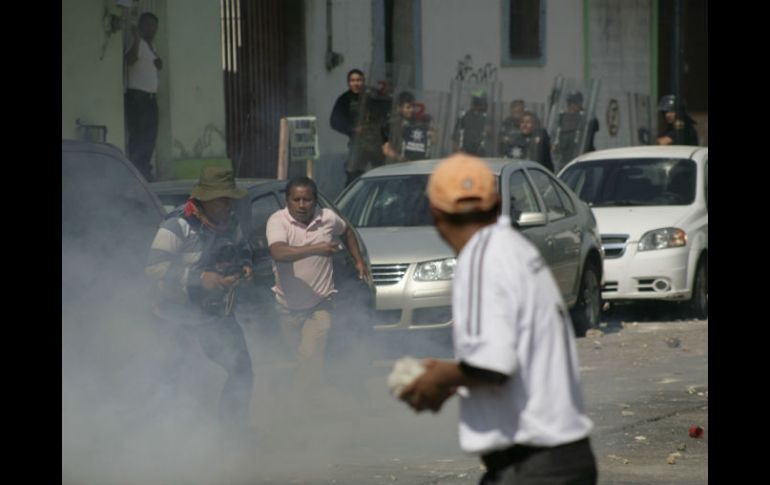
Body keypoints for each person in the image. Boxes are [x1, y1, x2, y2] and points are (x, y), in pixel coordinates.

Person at [399, 154, 597, 484]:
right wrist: (452, 380)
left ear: (435, 214)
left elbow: (491, 366)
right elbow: (509, 357)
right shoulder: (513, 248)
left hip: (536, 467)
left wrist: (437, 379)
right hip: (560, 460)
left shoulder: (480, 257)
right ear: (499, 204)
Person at [145, 166, 255, 443]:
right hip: (176, 318)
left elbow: (242, 249)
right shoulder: (176, 224)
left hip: (217, 315)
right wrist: (199, 279)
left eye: (230, 199)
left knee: (241, 370)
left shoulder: (231, 222)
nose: (228, 205)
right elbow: (154, 268)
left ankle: (233, 433)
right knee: (174, 377)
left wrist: (245, 265)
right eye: (222, 199)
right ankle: (166, 438)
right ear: (205, 198)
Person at [266, 177, 369, 400]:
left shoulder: (328, 218)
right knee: (299, 357)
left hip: (320, 303)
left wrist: (358, 260)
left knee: (310, 356)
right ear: (287, 201)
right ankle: (299, 393)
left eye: (307, 200)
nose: (302, 205)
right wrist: (316, 248)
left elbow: (347, 231)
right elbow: (278, 252)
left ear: (315, 201)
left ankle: (303, 405)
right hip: (286, 306)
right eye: (296, 200)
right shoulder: (277, 221)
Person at [330, 69, 387, 185]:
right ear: (348, 83)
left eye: (358, 80)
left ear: (364, 81)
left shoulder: (374, 96)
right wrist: (352, 129)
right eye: (352, 80)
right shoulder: (344, 99)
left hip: (377, 143)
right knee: (353, 178)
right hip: (358, 144)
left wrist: (386, 140)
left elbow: (387, 116)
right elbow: (335, 121)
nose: (355, 83)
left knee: (383, 176)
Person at [125, 12, 162, 182]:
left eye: (154, 26)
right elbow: (129, 60)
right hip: (137, 99)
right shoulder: (137, 42)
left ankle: (144, 171)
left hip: (150, 99)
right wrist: (136, 39)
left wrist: (158, 62)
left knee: (149, 137)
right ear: (140, 26)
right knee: (139, 138)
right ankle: (136, 174)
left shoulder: (151, 45)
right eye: (148, 25)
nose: (151, 29)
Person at [382, 91, 434, 163]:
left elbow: (433, 141)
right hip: (397, 166)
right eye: (408, 107)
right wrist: (401, 159)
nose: (411, 110)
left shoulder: (419, 123)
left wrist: (431, 132)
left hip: (418, 164)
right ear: (399, 108)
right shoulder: (390, 125)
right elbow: (386, 149)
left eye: (413, 106)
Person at [453, 91, 491, 156]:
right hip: (466, 153)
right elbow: (455, 137)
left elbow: (489, 136)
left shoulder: (485, 119)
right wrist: (459, 152)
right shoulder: (464, 117)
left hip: (480, 154)